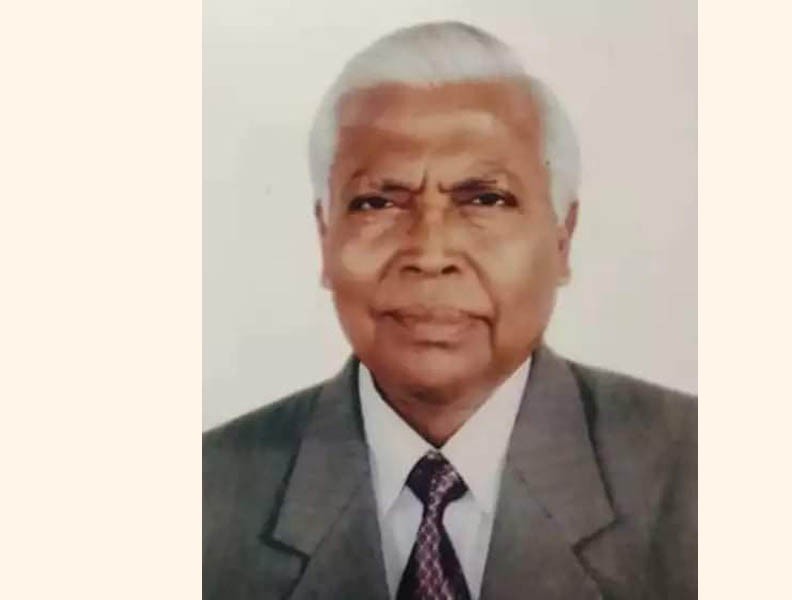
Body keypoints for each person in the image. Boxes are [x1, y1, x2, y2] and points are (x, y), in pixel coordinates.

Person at [203, 21, 696, 600]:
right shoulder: (204, 497)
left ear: (562, 238)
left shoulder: (694, 475)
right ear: (324, 236)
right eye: (377, 202)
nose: (430, 254)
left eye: (485, 199)